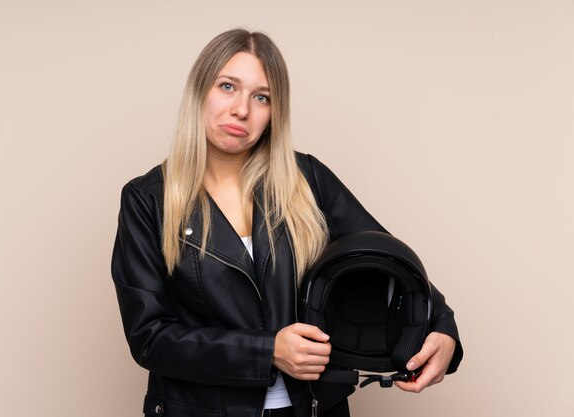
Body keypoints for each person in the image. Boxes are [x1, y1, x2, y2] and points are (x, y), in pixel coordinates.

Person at [111, 28, 462, 417]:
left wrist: (444, 328)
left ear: (274, 112)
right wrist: (268, 351)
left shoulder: (307, 179)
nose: (241, 109)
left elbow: (388, 260)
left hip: (311, 408)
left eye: (261, 97)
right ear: (199, 91)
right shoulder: (148, 199)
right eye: (227, 87)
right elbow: (149, 337)